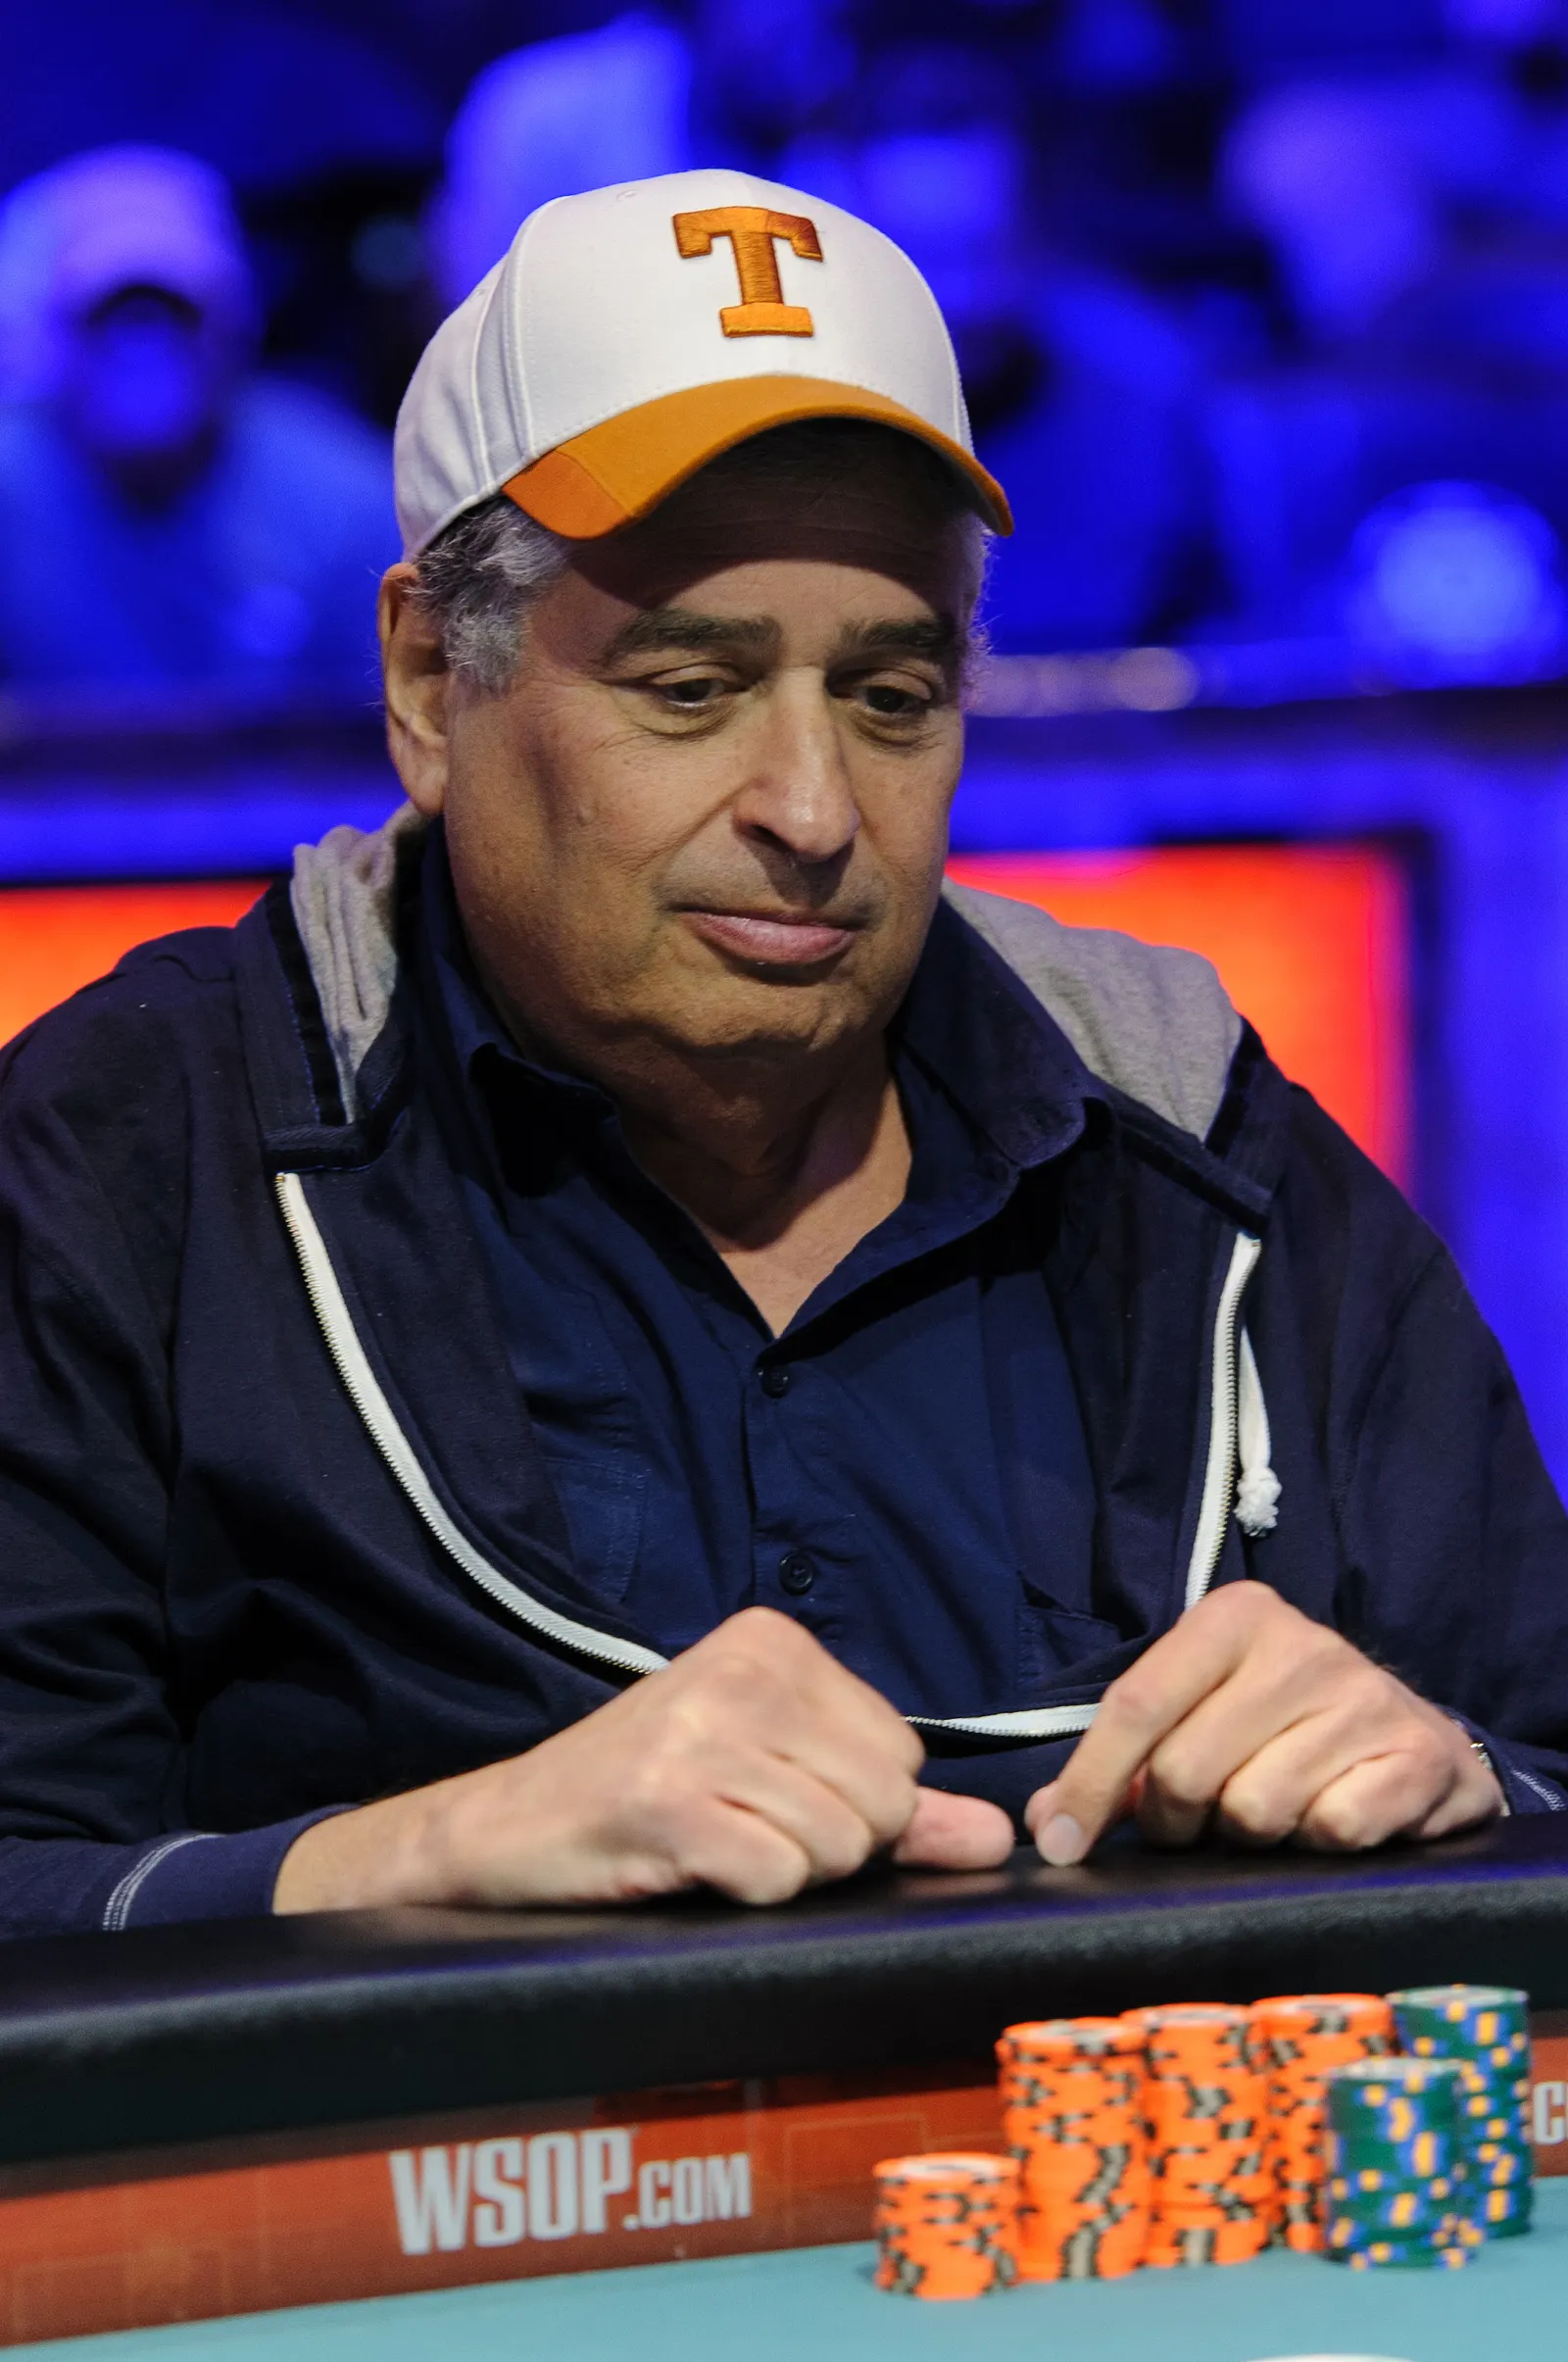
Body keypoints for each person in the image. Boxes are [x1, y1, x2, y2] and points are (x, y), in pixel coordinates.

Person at [0, 166, 1561, 1943]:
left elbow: (1541, 1752)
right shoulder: (134, 1152)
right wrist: (414, 1856)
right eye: (690, 689)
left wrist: (1463, 1789)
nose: (814, 812)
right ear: (433, 680)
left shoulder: (1196, 1135)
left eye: (893, 699)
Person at [0, 146, 396, 694]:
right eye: (107, 315)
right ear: (49, 338)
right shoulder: (13, 489)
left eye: (175, 312)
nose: (143, 350)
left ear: (233, 327)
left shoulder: (347, 501)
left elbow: (385, 721)